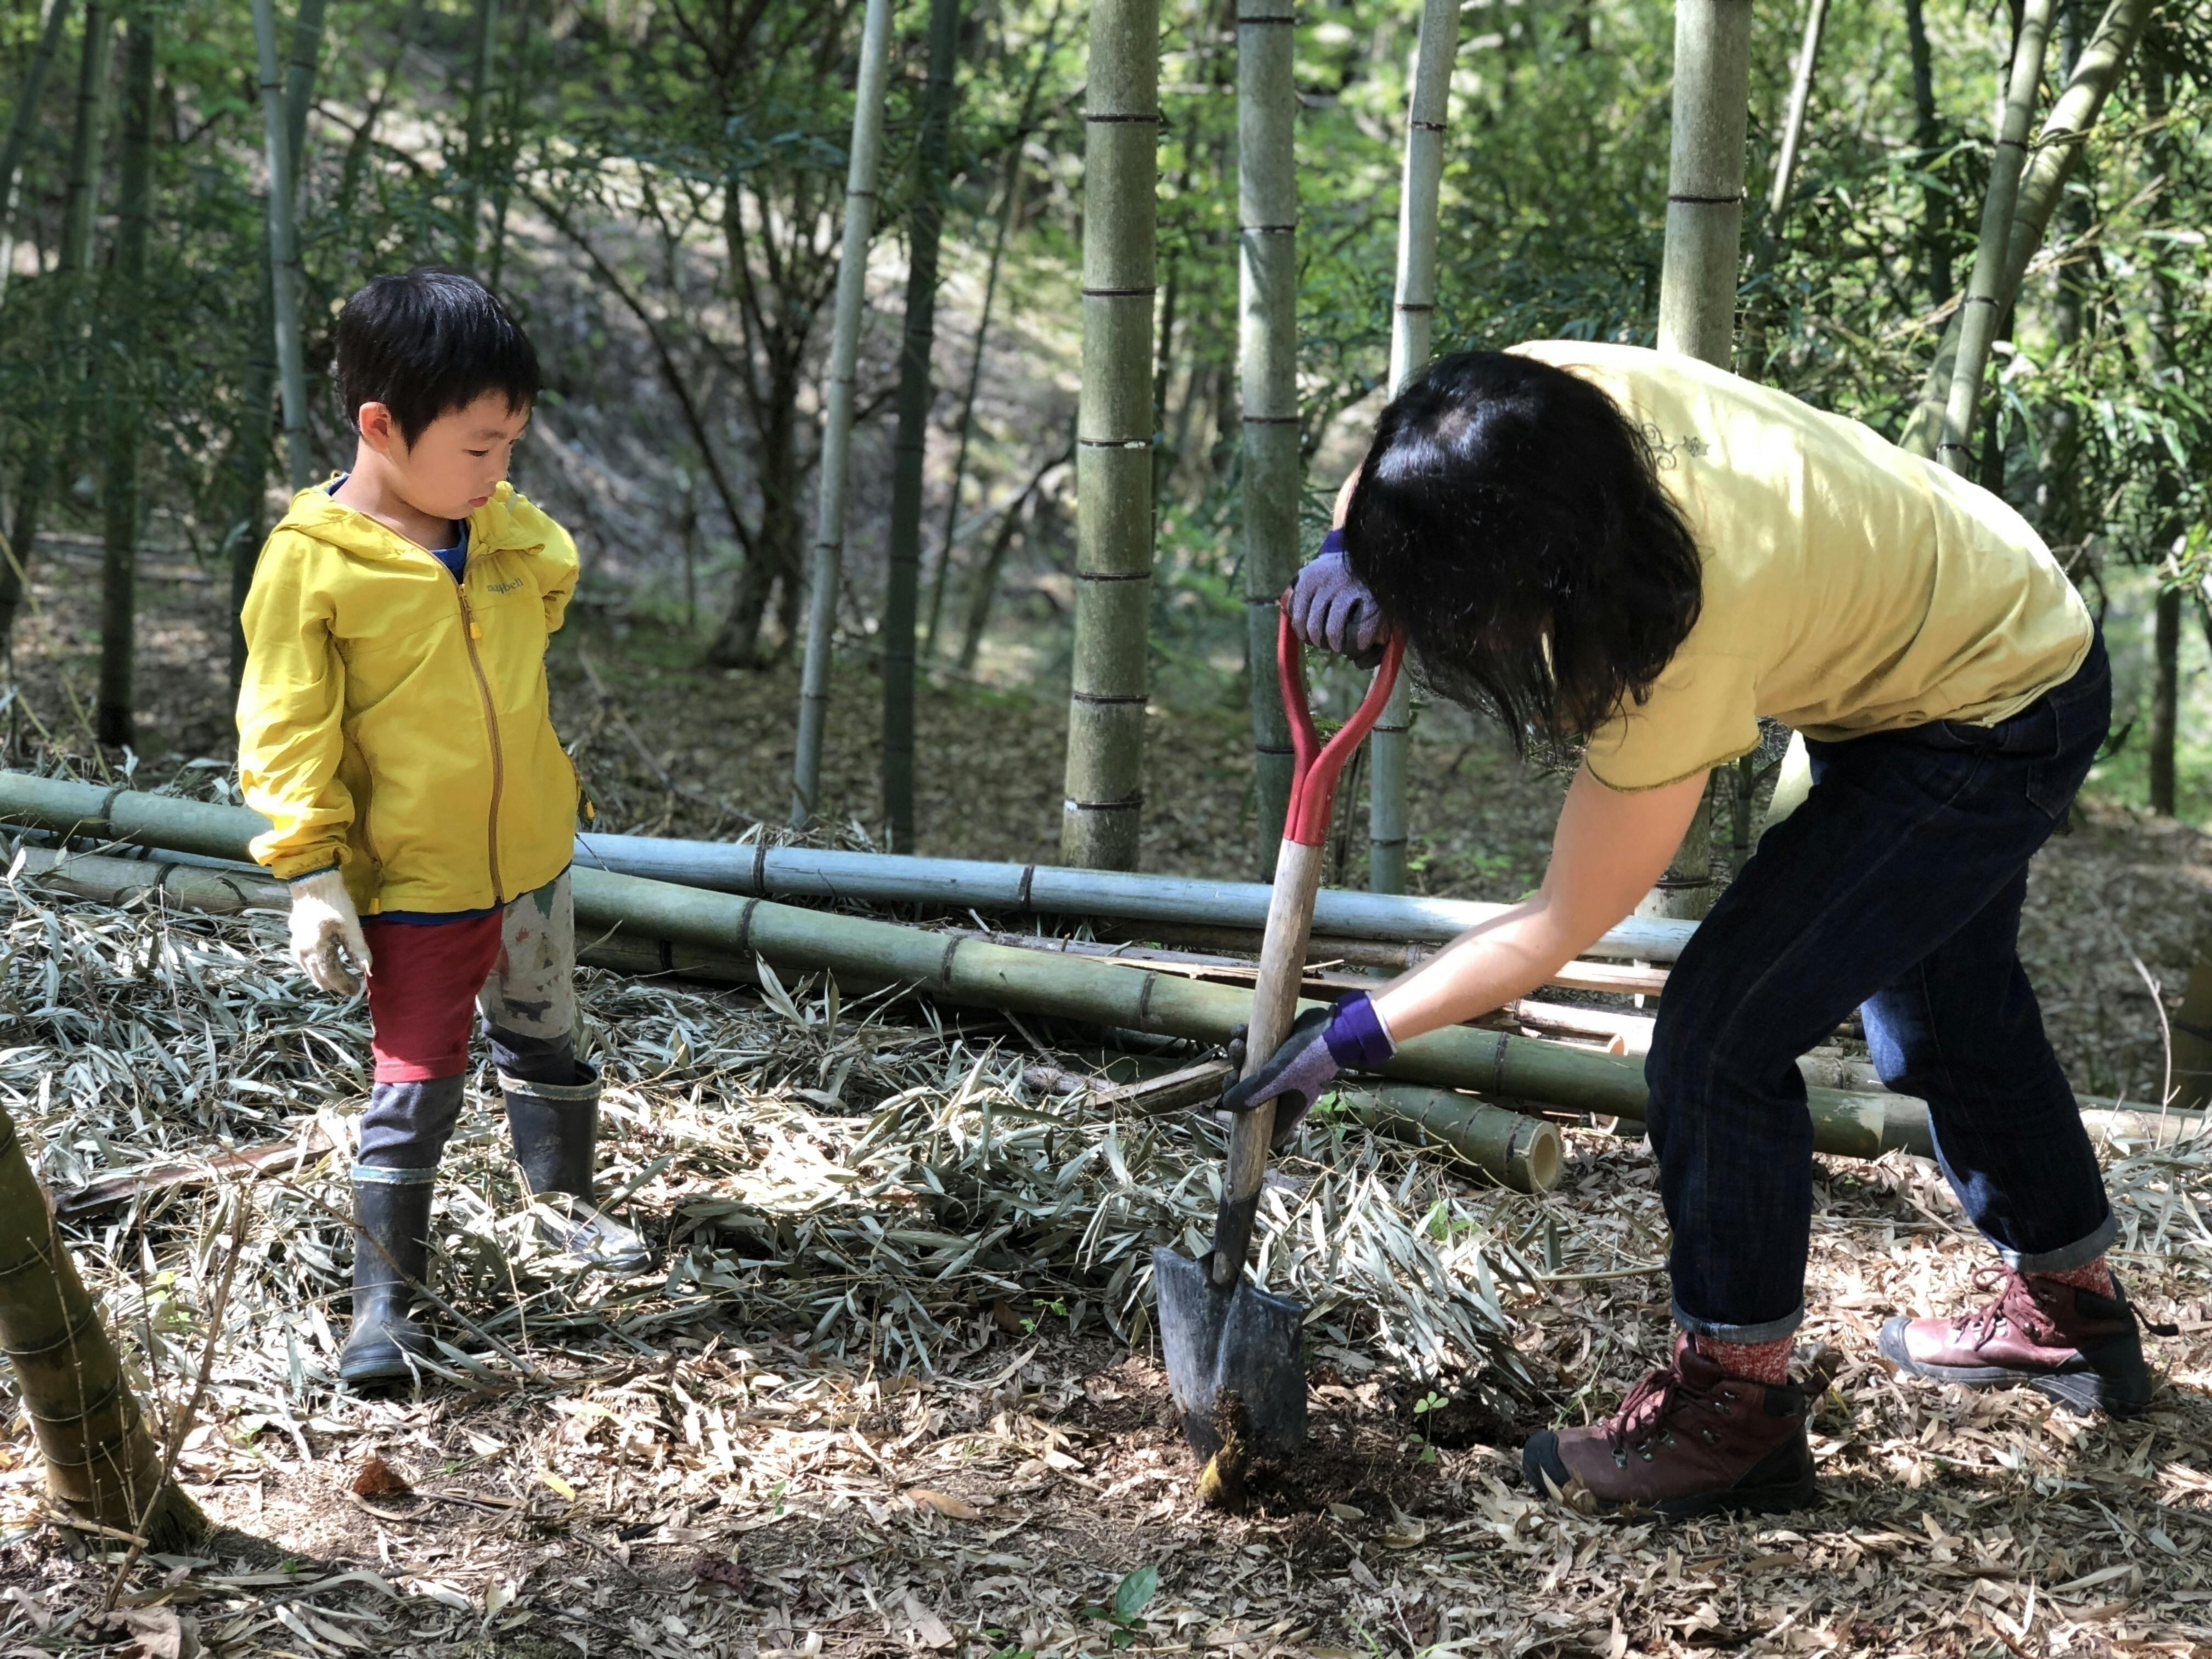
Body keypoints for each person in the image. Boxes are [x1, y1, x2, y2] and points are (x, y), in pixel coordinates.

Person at [1226, 341, 2159, 1519]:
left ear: (1543, 572)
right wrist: (1348, 547)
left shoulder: (1683, 632)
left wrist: (1349, 1037)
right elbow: (1398, 458)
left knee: (1721, 1036)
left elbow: (1561, 918)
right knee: (1944, 1009)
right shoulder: (1520, 411)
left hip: (1993, 703)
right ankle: (2075, 1316)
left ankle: (1735, 1413)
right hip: (1956, 610)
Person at [236, 269, 646, 1390]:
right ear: (380, 426)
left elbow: (555, 572)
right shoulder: (314, 565)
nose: (499, 468)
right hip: (415, 878)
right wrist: (312, 872)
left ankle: (561, 1205)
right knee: (416, 1082)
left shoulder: (503, 533)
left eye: (511, 442)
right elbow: (284, 730)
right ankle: (385, 1307)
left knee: (545, 1032)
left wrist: (493, 511)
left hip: (530, 860)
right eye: (479, 446)